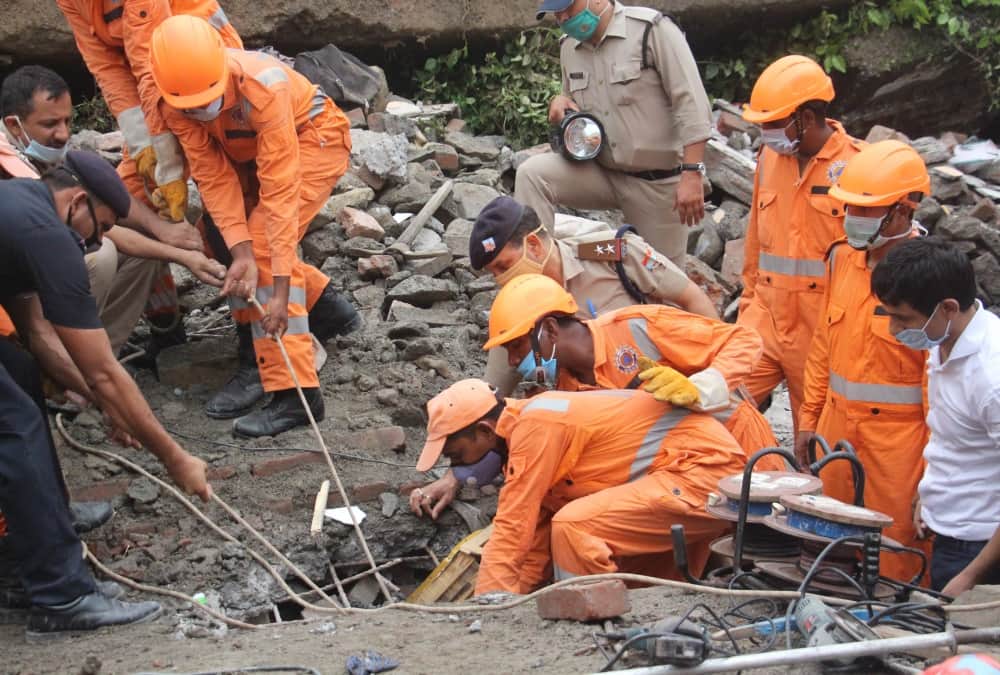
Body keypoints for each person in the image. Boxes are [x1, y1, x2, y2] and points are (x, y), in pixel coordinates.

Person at [0, 150, 210, 636]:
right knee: (17, 431)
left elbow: (39, 338)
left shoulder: (20, 209)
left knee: (18, 374)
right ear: (77, 202)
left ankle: (30, 550)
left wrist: (105, 406)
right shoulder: (46, 235)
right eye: (98, 230)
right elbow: (106, 371)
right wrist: (175, 458)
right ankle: (62, 596)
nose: (94, 244)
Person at [411, 273, 779, 519]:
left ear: (550, 329)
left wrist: (706, 386)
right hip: (680, 476)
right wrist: (458, 476)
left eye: (517, 346)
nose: (511, 361)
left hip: (741, 444)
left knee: (775, 538)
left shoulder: (638, 328)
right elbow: (505, 430)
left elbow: (743, 339)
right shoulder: (566, 389)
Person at [149, 15, 359, 436]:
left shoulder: (265, 86)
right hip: (244, 154)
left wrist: (278, 291)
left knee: (264, 240)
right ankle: (326, 308)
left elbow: (280, 194)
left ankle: (292, 390)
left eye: (206, 100)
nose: (200, 111)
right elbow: (213, 177)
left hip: (312, 139)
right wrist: (239, 251)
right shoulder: (172, 100)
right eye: (190, 106)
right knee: (221, 236)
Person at [415, 379, 746, 594]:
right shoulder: (524, 436)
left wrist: (488, 606)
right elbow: (534, 540)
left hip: (703, 475)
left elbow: (513, 524)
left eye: (456, 454)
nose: (455, 465)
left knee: (575, 527)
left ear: (486, 432)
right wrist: (511, 601)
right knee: (638, 591)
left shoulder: (537, 426)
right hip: (678, 482)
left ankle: (586, 626)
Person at [56, 0, 244, 352]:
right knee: (129, 202)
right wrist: (144, 147)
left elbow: (148, 63)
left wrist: (169, 170)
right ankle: (167, 329)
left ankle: (267, 335)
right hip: (155, 92)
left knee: (228, 208)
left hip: (205, 83)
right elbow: (108, 68)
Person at [0, 65, 227, 355]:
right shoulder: (9, 159)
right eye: (50, 124)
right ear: (15, 124)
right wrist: (182, 255)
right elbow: (103, 230)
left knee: (146, 248)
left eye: (67, 121)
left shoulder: (40, 148)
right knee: (103, 251)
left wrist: (162, 230)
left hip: (39, 272)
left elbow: (109, 196)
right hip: (17, 298)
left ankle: (98, 357)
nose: (63, 133)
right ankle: (69, 365)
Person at [797, 141, 932, 582]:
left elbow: (938, 385)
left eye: (864, 210)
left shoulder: (927, 277)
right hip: (837, 436)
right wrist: (807, 422)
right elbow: (823, 347)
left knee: (898, 560)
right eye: (849, 207)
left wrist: (934, 477)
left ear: (902, 211)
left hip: (897, 449)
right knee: (831, 552)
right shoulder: (841, 258)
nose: (851, 218)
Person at [516, 0, 713, 269]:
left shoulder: (651, 30)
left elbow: (691, 103)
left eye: (567, 10)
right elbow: (572, 101)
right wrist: (560, 101)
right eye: (556, 14)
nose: (562, 18)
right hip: (601, 172)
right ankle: (538, 275)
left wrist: (692, 173)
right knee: (532, 174)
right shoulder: (569, 47)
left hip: (656, 183)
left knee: (663, 282)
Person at [471, 196, 719, 396]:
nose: (502, 280)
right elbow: (493, 392)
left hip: (673, 388)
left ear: (533, 245)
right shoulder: (515, 312)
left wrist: (715, 379)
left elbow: (691, 298)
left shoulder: (613, 255)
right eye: (494, 274)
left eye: (504, 266)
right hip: (606, 417)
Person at [738, 55, 865, 432]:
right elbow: (754, 247)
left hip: (821, 333)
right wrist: (747, 311)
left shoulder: (859, 167)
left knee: (815, 441)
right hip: (765, 320)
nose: (766, 135)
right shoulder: (770, 160)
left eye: (773, 125)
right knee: (716, 404)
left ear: (806, 119)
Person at [872, 238, 1000, 596]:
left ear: (947, 307)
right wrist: (927, 493)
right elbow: (952, 435)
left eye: (903, 318)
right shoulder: (945, 342)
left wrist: (971, 577)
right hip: (949, 532)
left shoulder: (991, 376)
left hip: (978, 549)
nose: (894, 331)